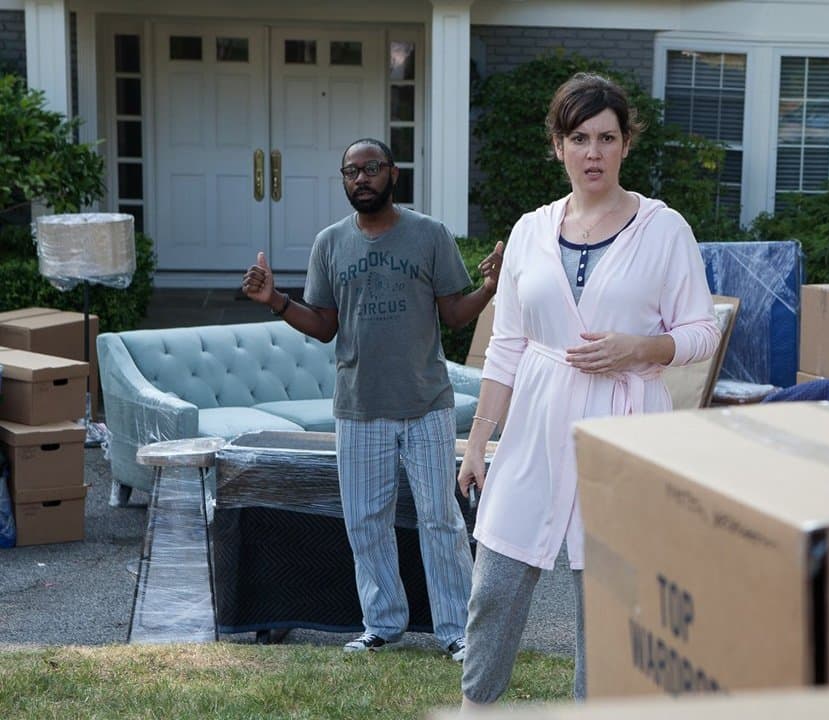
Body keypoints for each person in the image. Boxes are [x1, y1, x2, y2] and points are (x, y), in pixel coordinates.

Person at [455, 73, 720, 706]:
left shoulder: (664, 230)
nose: (593, 152)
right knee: (494, 588)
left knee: (604, 604)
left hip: (623, 428)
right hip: (536, 425)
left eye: (606, 137)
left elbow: (702, 331)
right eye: (579, 138)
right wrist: (478, 441)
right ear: (558, 146)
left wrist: (642, 348)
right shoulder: (529, 230)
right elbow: (507, 345)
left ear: (627, 143)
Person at [241, 138, 503, 659]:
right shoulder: (330, 243)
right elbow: (323, 326)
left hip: (426, 403)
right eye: (351, 171)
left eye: (371, 168)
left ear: (393, 174)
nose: (361, 178)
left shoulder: (429, 235)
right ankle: (382, 624)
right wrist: (276, 301)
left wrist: (490, 288)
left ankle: (458, 630)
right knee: (365, 521)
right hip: (359, 407)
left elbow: (454, 314)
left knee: (440, 520)